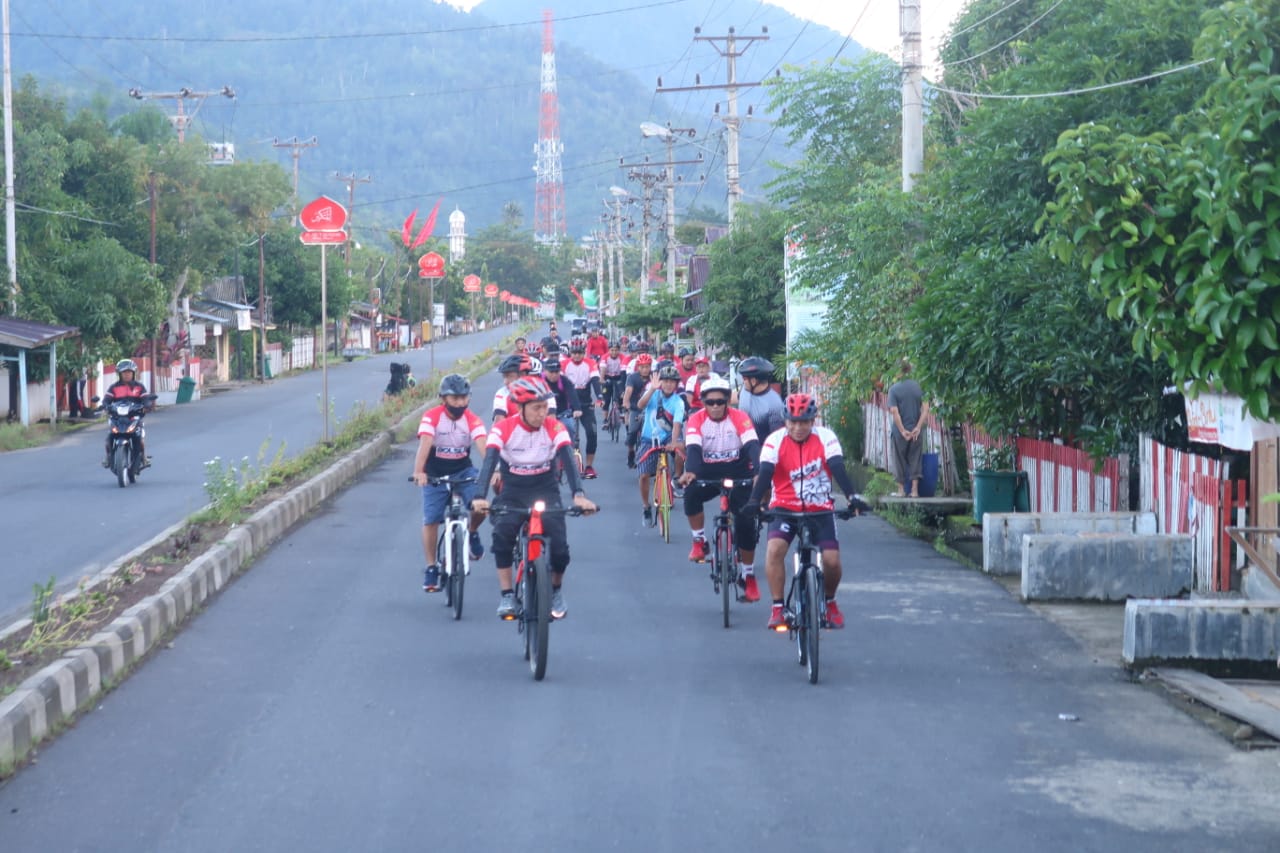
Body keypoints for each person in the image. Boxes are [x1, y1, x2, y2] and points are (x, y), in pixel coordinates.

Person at [471, 376, 597, 619]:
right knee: (501, 537)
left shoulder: (554, 426)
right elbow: (489, 462)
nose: (543, 413)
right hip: (513, 490)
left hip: (545, 488)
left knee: (560, 549)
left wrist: (579, 495)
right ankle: (507, 595)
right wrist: (479, 496)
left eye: (545, 407)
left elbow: (568, 459)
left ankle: (556, 590)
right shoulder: (503, 428)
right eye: (536, 408)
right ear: (520, 408)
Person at [745, 393, 866, 631]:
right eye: (793, 422)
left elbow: (837, 467)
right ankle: (778, 608)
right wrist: (754, 501)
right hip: (784, 507)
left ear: (813, 421)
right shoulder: (774, 440)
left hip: (820, 508)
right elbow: (766, 471)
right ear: (785, 421)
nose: (798, 427)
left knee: (831, 561)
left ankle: (830, 602)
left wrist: (853, 497)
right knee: (775, 549)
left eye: (804, 422)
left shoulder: (826, 437)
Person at [675, 377, 762, 602]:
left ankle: (748, 576)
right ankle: (699, 540)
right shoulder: (695, 420)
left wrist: (759, 473)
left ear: (727, 402)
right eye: (710, 402)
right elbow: (693, 447)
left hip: (738, 473)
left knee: (745, 522)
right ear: (703, 401)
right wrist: (691, 471)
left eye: (720, 402)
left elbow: (753, 446)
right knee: (691, 492)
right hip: (706, 472)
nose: (715, 406)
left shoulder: (740, 418)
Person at [412, 374, 488, 593]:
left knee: (481, 505)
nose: (460, 403)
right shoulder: (431, 417)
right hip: (434, 473)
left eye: (464, 398)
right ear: (443, 399)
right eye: (454, 399)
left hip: (462, 470)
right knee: (431, 518)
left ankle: (472, 531)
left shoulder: (472, 419)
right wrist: (419, 472)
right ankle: (431, 567)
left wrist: (493, 472)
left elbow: (483, 446)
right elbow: (425, 443)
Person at [635, 365, 687, 526]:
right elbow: (640, 405)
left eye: (672, 382)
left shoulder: (678, 401)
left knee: (681, 447)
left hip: (667, 438)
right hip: (648, 438)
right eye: (665, 381)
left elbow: (677, 423)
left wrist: (674, 442)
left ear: (676, 384)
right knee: (644, 475)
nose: (668, 385)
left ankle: (677, 479)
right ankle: (646, 507)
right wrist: (651, 389)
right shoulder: (654, 394)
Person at [888, 359, 930, 497]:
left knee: (899, 459)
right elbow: (925, 409)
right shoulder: (919, 387)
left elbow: (895, 412)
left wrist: (902, 431)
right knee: (915, 458)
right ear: (909, 370)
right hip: (916, 430)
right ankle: (914, 491)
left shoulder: (894, 389)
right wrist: (918, 427)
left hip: (900, 432)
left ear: (898, 372)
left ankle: (901, 491)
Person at [560, 340, 602, 479]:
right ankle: (561, 461)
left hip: (585, 403)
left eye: (579, 353)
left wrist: (600, 396)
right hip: (568, 404)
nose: (576, 356)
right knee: (562, 434)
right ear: (570, 353)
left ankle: (589, 466)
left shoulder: (590, 363)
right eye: (574, 353)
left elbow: (595, 381)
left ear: (584, 353)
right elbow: (559, 384)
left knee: (592, 433)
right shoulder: (564, 364)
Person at [101, 358, 151, 468]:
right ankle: (108, 456)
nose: (127, 375)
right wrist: (105, 406)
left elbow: (146, 399)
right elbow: (106, 400)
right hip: (118, 418)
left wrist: (146, 405)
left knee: (139, 438)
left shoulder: (139, 387)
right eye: (124, 372)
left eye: (129, 372)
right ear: (119, 374)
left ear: (133, 373)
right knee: (109, 436)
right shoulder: (113, 388)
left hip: (134, 417)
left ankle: (143, 456)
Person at [732, 356, 785, 441]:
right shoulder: (746, 390)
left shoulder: (775, 405)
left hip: (760, 450)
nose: (743, 382)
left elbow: (776, 439)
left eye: (744, 379)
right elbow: (735, 398)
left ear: (753, 381)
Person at [622, 352, 653, 468]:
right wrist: (626, 403)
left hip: (651, 409)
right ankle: (631, 452)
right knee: (633, 431)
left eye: (647, 366)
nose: (645, 369)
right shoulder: (632, 377)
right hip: (636, 408)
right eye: (642, 367)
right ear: (638, 367)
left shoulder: (654, 376)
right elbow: (628, 392)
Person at [599, 340, 629, 417]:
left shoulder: (622, 357)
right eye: (612, 350)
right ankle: (605, 419)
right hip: (607, 377)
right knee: (606, 399)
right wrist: (602, 379)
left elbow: (624, 371)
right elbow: (603, 369)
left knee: (621, 395)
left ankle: (620, 410)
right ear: (609, 350)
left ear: (619, 350)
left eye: (616, 350)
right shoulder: (605, 357)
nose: (614, 352)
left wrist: (624, 383)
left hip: (619, 377)